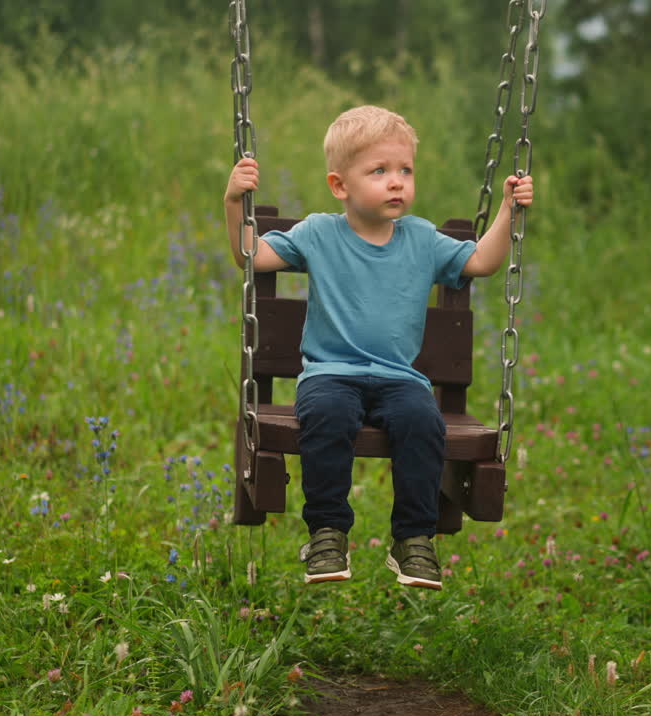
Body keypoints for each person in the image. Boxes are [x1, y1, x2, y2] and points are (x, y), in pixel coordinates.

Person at [224, 105, 533, 589]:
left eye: (405, 170)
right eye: (379, 171)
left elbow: (481, 262)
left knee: (422, 422)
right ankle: (327, 534)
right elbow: (252, 254)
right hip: (330, 374)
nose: (396, 182)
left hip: (399, 380)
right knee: (327, 417)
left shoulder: (422, 239)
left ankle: (413, 539)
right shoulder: (319, 233)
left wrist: (508, 211)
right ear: (339, 185)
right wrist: (233, 202)